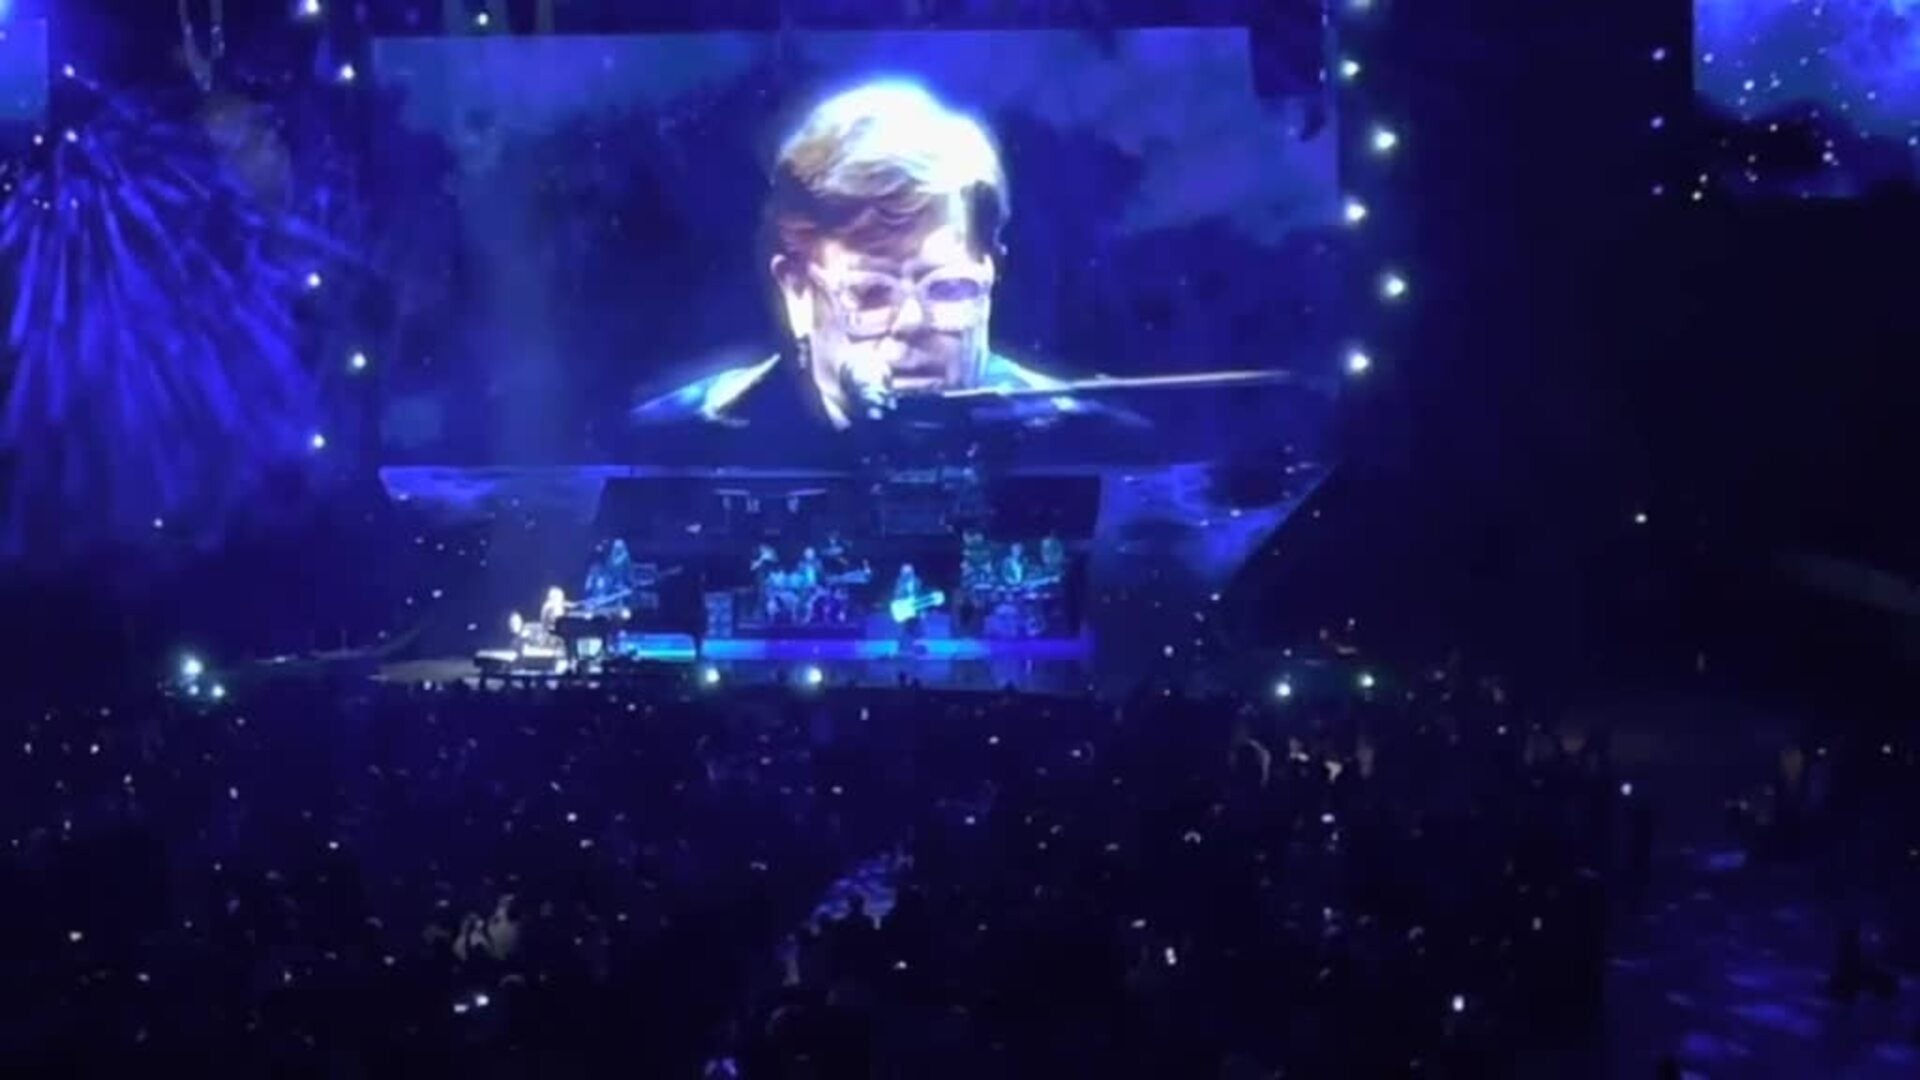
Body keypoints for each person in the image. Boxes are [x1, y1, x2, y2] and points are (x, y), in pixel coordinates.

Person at [632, 81, 1104, 435]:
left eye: (947, 288)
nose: (913, 324)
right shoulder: (673, 440)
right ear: (797, 290)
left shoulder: (1084, 437)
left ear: (991, 274)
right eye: (873, 292)